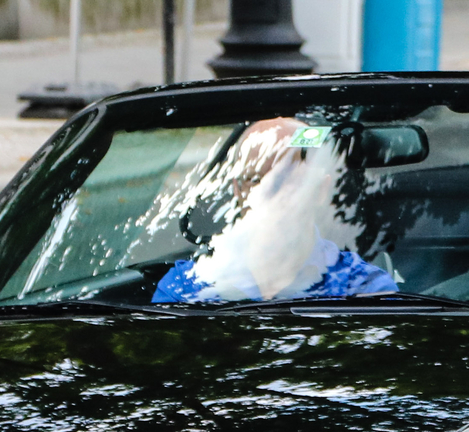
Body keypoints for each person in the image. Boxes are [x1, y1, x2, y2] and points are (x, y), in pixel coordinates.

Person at [154, 119, 398, 303]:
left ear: (320, 191)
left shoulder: (363, 289)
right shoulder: (185, 287)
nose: (266, 195)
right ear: (238, 191)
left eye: (284, 180)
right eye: (255, 180)